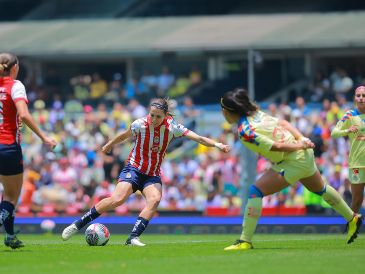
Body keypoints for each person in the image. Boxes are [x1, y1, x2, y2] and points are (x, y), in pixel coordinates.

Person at [62, 98, 230, 246]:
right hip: (134, 169)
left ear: (165, 116)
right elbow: (124, 135)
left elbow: (199, 138)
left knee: (155, 200)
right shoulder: (140, 124)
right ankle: (77, 225)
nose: (154, 119)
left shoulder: (173, 127)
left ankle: (133, 238)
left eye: (158, 116)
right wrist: (110, 144)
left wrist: (218, 145)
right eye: (152, 115)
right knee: (118, 199)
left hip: (152, 174)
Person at [219, 88, 362, 251]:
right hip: (303, 154)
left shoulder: (245, 131)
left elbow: (277, 146)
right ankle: (352, 218)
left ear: (228, 111)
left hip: (293, 158)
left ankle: (245, 240)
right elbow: (284, 123)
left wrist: (299, 144)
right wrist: (301, 138)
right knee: (320, 188)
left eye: (222, 110)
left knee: (255, 191)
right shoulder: (257, 113)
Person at [0, 53, 57, 249]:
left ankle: (9, 236)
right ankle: (3, 223)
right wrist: (44, 137)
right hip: (7, 146)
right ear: (14, 68)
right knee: (11, 196)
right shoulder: (15, 85)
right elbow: (23, 114)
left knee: (5, 195)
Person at [331, 86, 365, 214]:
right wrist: (347, 130)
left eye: (364, 95)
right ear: (355, 98)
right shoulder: (350, 115)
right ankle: (352, 226)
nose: (361, 98)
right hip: (356, 164)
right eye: (358, 95)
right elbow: (334, 133)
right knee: (357, 200)